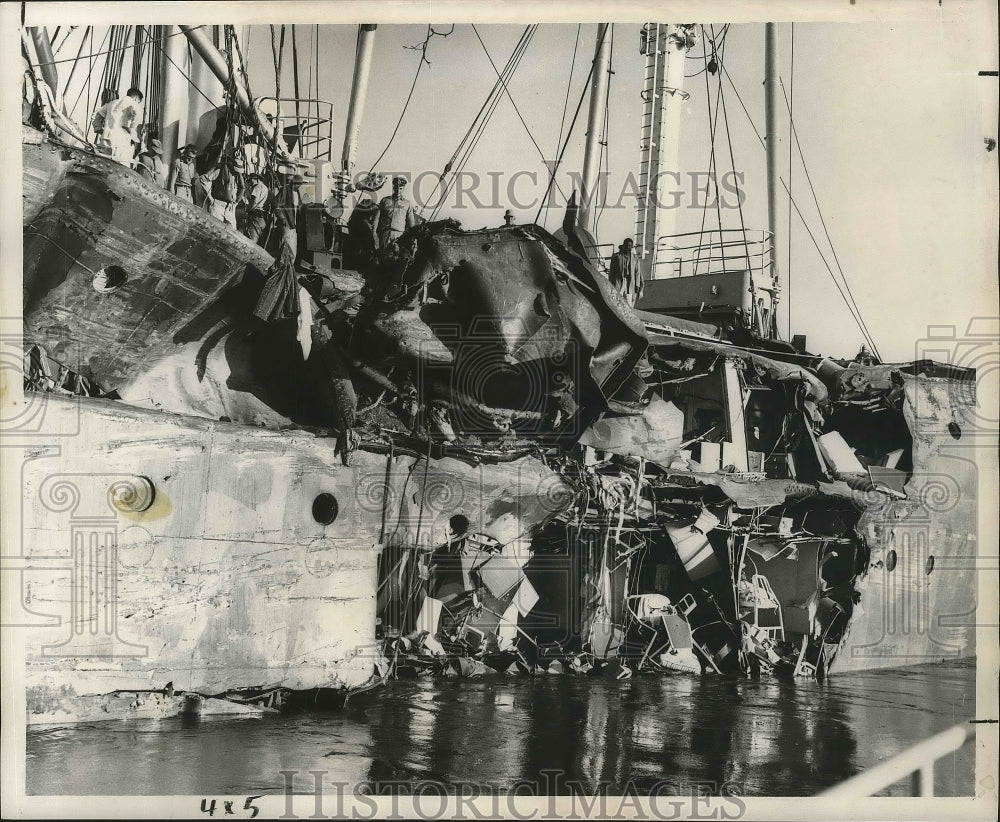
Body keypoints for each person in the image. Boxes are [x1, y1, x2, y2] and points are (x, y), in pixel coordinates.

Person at [98, 87, 145, 167]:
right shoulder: (133, 103)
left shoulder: (111, 103)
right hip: (121, 142)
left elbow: (97, 115)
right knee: (122, 166)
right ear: (136, 98)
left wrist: (98, 128)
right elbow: (137, 115)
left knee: (102, 165)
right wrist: (131, 129)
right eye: (138, 101)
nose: (138, 103)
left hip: (105, 140)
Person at [374, 176, 417, 251]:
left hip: (399, 236)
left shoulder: (407, 204)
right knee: (382, 256)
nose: (398, 191)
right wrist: (374, 233)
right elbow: (377, 218)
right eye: (396, 188)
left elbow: (411, 225)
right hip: (385, 234)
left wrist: (413, 240)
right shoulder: (385, 201)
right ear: (394, 188)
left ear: (403, 189)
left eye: (400, 189)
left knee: (396, 258)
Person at [608, 237, 643, 307]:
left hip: (630, 282)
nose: (628, 247)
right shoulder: (616, 256)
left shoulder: (635, 258)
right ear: (624, 246)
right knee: (617, 300)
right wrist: (611, 283)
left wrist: (637, 285)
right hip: (619, 281)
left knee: (629, 303)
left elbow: (637, 272)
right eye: (627, 245)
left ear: (632, 246)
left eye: (630, 246)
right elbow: (612, 271)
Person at [241, 172, 270, 243]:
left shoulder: (257, 187)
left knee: (251, 241)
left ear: (256, 179)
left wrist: (246, 212)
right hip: (262, 219)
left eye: (251, 181)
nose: (250, 183)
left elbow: (254, 202)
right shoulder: (266, 188)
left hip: (256, 217)